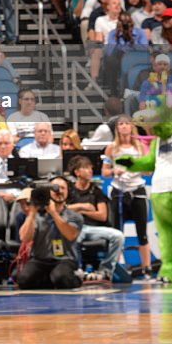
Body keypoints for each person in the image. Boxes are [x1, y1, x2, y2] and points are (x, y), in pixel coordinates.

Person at [102, 115, 152, 275]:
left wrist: (136, 164)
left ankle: (147, 268)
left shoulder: (139, 146)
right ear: (117, 128)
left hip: (137, 190)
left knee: (142, 231)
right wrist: (113, 171)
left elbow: (147, 170)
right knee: (117, 231)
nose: (124, 127)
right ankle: (116, 268)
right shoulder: (111, 148)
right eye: (120, 124)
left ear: (131, 127)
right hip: (119, 191)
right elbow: (104, 172)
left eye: (126, 124)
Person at [66, 154, 124, 283]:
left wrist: (83, 213)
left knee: (118, 236)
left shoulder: (96, 191)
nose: (90, 171)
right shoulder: (69, 190)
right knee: (72, 238)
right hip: (76, 228)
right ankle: (77, 270)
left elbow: (102, 215)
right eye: (86, 168)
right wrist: (83, 206)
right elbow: (63, 208)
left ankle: (105, 271)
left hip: (93, 229)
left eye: (90, 168)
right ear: (77, 172)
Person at [17, 176, 82, 289]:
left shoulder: (74, 216)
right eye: (55, 188)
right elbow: (25, 238)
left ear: (68, 192)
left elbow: (71, 235)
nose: (59, 191)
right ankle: (49, 279)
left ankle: (76, 278)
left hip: (65, 259)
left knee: (61, 278)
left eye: (63, 188)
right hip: (39, 260)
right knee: (24, 280)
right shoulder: (37, 216)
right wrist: (32, 213)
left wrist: (53, 213)